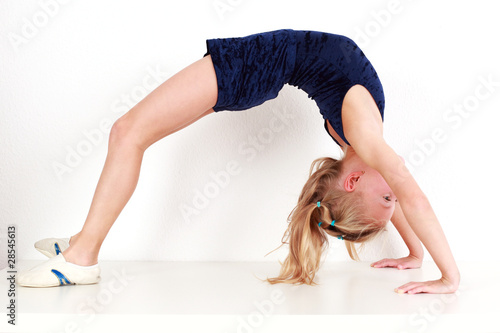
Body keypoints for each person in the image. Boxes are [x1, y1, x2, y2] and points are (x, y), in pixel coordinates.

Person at [18, 29, 460, 294]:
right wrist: (419, 255)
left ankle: (81, 258)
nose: (398, 191)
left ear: (352, 181)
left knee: (128, 133)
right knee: (130, 133)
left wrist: (447, 275)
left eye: (388, 198)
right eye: (391, 198)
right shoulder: (363, 138)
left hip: (259, 64)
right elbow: (406, 193)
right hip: (263, 65)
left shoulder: (361, 139)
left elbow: (403, 193)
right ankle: (81, 240)